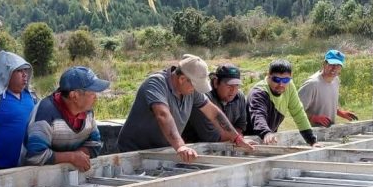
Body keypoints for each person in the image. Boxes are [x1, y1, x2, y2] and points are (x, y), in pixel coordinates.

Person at [116, 54, 255, 162]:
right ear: (182, 79)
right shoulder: (156, 84)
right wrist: (181, 146)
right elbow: (163, 115)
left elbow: (213, 113)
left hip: (161, 150)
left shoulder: (190, 91)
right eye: (195, 85)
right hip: (134, 151)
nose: (196, 90)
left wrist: (236, 138)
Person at [23, 66, 109, 171]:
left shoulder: (87, 111)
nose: (96, 97)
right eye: (92, 93)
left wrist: (78, 156)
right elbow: (35, 157)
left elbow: (95, 144)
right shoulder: (45, 113)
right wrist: (72, 157)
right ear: (74, 96)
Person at [245, 59, 318, 146]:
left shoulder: (289, 86)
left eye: (285, 80)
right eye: (276, 79)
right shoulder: (258, 93)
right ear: (268, 75)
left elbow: (299, 113)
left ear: (290, 77)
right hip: (247, 140)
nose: (281, 84)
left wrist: (312, 141)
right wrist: (266, 133)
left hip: (268, 139)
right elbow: (258, 116)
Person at [182, 63, 248, 143]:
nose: (233, 90)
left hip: (226, 145)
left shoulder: (239, 97)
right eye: (229, 86)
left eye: (237, 85)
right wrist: (236, 139)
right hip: (196, 148)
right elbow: (210, 136)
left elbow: (241, 124)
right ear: (216, 83)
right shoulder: (203, 99)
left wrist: (237, 138)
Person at [299, 49, 359, 127]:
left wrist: (340, 112)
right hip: (310, 133)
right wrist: (312, 118)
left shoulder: (336, 80)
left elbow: (325, 103)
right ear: (324, 64)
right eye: (331, 64)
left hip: (329, 132)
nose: (334, 68)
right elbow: (295, 109)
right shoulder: (312, 84)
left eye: (338, 65)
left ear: (341, 68)